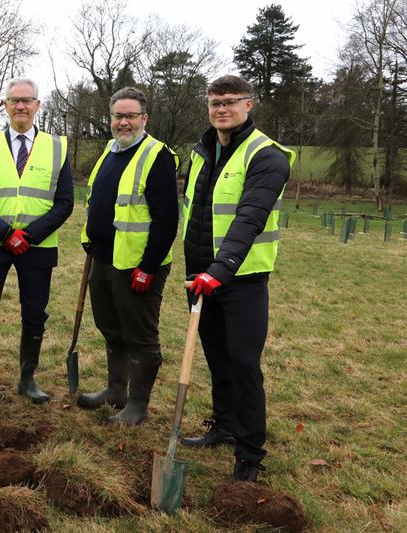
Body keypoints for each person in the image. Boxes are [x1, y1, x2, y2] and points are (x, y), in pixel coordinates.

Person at [181, 75, 293, 481]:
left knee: (244, 364)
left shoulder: (267, 155)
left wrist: (220, 270)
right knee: (218, 359)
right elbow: (197, 215)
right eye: (214, 102)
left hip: (241, 279)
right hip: (201, 278)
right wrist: (198, 272)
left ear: (249, 105)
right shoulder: (202, 152)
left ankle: (249, 456)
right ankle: (224, 425)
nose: (221, 109)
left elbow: (249, 218)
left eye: (230, 101)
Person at [0, 78, 74, 412]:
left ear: (38, 105)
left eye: (27, 100)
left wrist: (30, 235)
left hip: (38, 247)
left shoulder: (57, 147)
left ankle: (28, 379)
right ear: (5, 106)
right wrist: (6, 234)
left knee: (35, 313)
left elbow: (64, 202)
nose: (20, 106)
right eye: (14, 100)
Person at [77, 87, 179, 426]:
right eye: (118, 116)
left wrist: (148, 267)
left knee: (141, 336)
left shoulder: (157, 156)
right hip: (104, 258)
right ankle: (115, 390)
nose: (123, 122)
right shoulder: (110, 150)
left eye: (130, 116)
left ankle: (137, 405)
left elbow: (166, 221)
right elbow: (96, 200)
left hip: (136, 266)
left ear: (144, 119)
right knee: (111, 328)